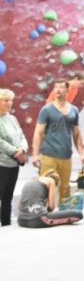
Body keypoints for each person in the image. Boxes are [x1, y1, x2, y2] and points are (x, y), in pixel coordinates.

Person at [32, 79, 84, 202]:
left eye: (61, 87)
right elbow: (38, 132)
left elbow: (76, 132)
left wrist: (81, 153)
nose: (57, 90)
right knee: (45, 187)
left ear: (67, 90)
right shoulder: (46, 109)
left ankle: (64, 214)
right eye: (55, 87)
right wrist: (35, 154)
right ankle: (43, 214)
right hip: (48, 155)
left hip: (66, 155)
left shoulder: (74, 110)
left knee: (65, 188)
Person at [0, 88, 29, 227]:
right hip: (2, 163)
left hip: (14, 163)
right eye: (5, 100)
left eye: (10, 100)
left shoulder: (12, 118)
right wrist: (14, 152)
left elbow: (22, 136)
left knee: (8, 196)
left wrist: (22, 149)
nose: (9, 103)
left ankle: (6, 223)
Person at [17, 169, 82, 228]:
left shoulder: (33, 180)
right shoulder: (51, 181)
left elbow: (19, 206)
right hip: (37, 220)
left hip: (21, 220)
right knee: (78, 214)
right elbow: (51, 207)